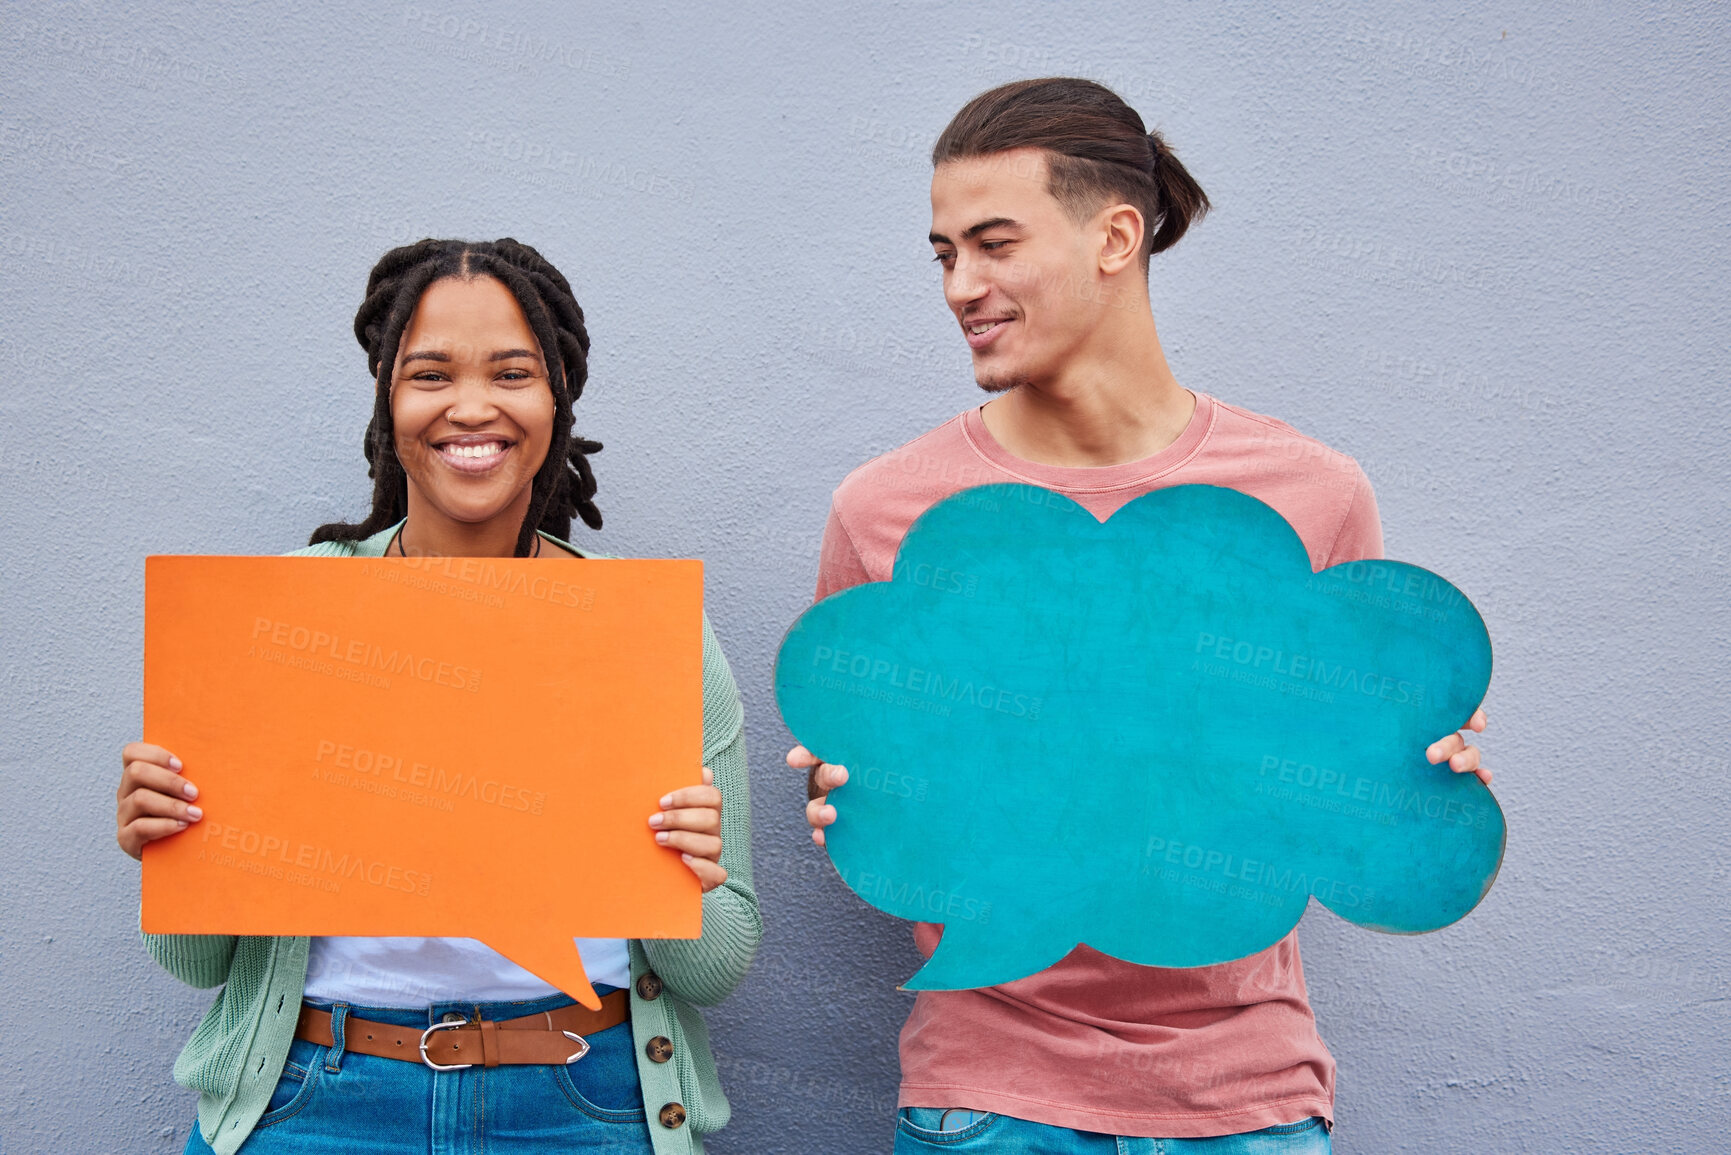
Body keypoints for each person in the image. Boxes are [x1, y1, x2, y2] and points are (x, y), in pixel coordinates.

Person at [791, 79, 1492, 1153]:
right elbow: (894, 810)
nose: (959, 287)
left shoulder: (1312, 493)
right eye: (944, 255)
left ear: (1116, 236)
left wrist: (1413, 776)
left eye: (994, 244)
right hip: (989, 1102)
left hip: (1247, 1104)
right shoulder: (887, 511)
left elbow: (1331, 793)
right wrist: (863, 802)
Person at [116, 238, 759, 1155]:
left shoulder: (650, 632)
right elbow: (194, 963)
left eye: (511, 372)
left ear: (556, 397)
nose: (470, 406)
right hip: (317, 1102)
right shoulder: (283, 614)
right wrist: (171, 848)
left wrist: (687, 881)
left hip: (587, 1103)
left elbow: (720, 967)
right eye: (429, 373)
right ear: (388, 396)